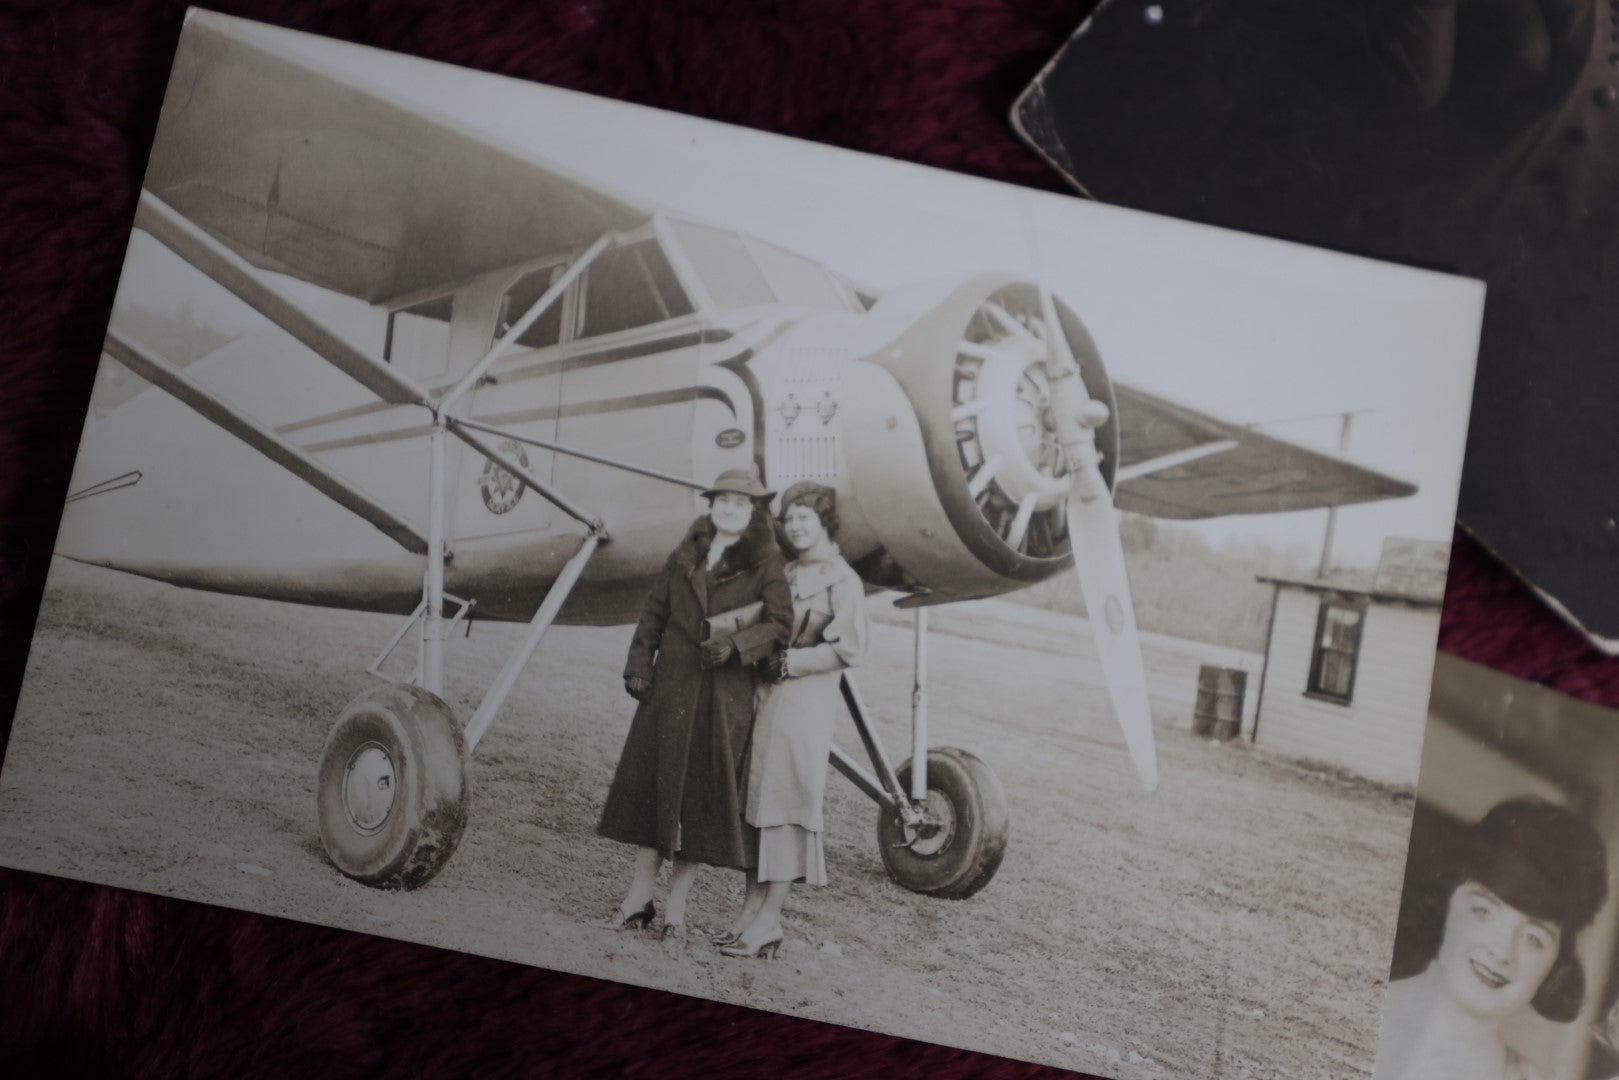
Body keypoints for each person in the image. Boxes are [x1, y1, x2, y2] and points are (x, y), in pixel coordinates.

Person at [596, 465, 792, 955]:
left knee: (700, 805)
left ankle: (677, 911)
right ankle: (638, 900)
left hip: (725, 697)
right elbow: (654, 611)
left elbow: (781, 625)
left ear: (753, 512)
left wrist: (736, 647)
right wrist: (639, 664)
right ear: (712, 505)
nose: (730, 508)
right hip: (673, 688)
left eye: (741, 503)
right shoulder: (685, 552)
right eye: (723, 499)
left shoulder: (767, 562)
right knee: (655, 793)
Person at [717, 481, 867, 960]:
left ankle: (770, 920)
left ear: (825, 522)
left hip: (804, 703)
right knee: (757, 805)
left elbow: (849, 647)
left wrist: (790, 664)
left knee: (785, 805)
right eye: (791, 517)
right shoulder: (787, 571)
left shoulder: (843, 580)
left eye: (806, 517)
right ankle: (748, 914)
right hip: (766, 696)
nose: (797, 526)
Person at [1374, 798, 1609, 1080]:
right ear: (1447, 903)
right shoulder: (1356, 1009)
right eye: (1483, 912)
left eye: (1533, 939)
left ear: (1556, 963)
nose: (1501, 951)